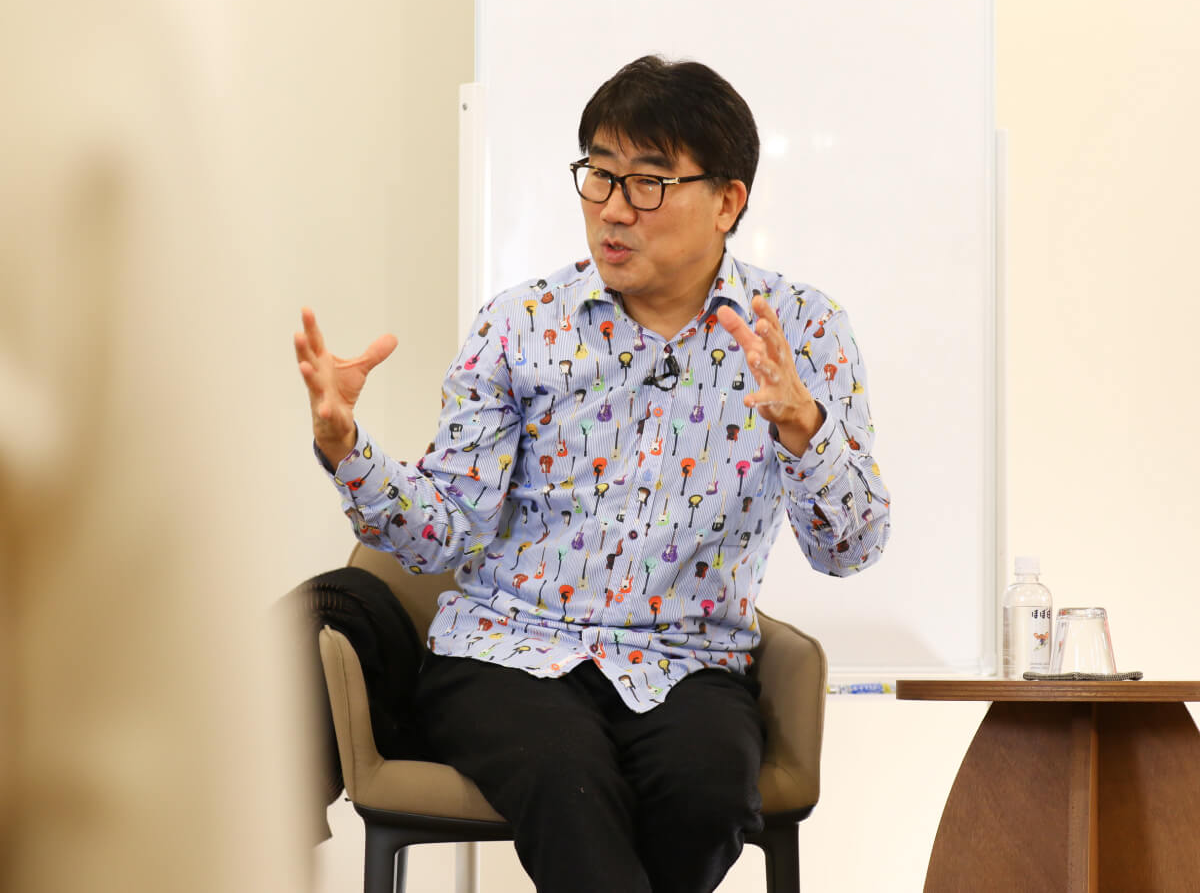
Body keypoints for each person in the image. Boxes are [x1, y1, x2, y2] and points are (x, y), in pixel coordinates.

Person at [295, 55, 890, 893]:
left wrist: (803, 428)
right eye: (599, 175)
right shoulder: (519, 325)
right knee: (564, 779)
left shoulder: (803, 331)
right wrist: (346, 447)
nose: (612, 208)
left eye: (647, 182)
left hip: (690, 661)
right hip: (507, 650)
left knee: (707, 792)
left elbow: (849, 550)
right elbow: (444, 531)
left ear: (728, 201)